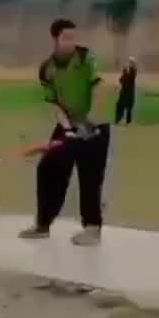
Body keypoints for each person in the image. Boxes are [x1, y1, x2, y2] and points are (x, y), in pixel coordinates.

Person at [19, 18, 110, 245]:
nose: (71, 42)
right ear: (55, 39)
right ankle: (42, 225)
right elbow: (54, 104)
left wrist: (89, 122)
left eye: (73, 37)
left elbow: (99, 89)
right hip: (68, 123)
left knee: (90, 176)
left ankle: (92, 229)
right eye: (66, 38)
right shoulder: (47, 68)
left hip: (94, 123)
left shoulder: (86, 59)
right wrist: (67, 129)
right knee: (48, 168)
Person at [115, 57, 137, 125]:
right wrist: (125, 73)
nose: (130, 63)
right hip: (125, 91)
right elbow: (121, 80)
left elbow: (131, 77)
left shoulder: (132, 71)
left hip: (129, 92)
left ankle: (127, 121)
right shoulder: (127, 72)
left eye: (131, 62)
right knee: (121, 105)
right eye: (130, 62)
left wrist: (126, 72)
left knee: (128, 107)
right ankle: (119, 119)